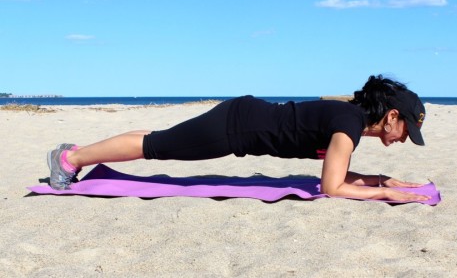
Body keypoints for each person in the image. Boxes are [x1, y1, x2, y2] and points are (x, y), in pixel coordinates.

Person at [47, 75, 430, 202]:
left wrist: (378, 179)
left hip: (240, 116)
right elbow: (331, 187)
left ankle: (77, 153)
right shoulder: (347, 128)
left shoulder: (348, 118)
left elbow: (338, 173)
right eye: (405, 131)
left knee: (159, 140)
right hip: (232, 130)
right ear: (391, 116)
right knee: (156, 147)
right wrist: (382, 193)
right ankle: (70, 161)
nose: (402, 139)